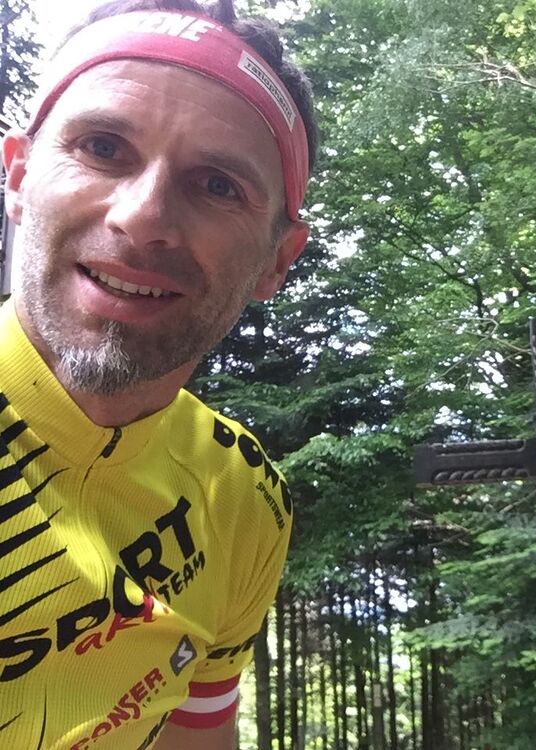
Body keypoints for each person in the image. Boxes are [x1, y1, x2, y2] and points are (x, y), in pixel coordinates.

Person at [0, 0, 317, 747]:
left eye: (217, 186)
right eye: (103, 147)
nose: (144, 217)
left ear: (276, 261)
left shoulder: (242, 494)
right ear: (17, 176)